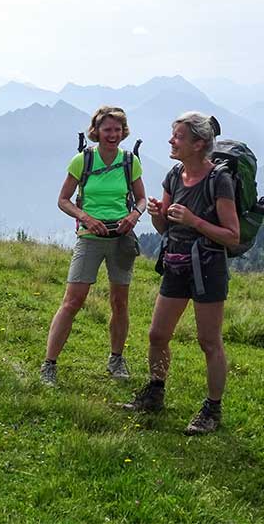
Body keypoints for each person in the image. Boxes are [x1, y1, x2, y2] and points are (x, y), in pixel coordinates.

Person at [123, 112, 239, 434]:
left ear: (199, 144)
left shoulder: (219, 180)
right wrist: (160, 215)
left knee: (208, 341)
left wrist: (194, 221)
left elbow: (232, 234)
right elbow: (163, 229)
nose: (171, 141)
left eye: (178, 137)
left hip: (208, 268)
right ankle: (155, 392)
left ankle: (212, 411)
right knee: (157, 335)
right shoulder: (174, 176)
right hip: (175, 263)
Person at [40, 106, 146, 385]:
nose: (112, 135)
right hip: (89, 237)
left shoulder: (130, 161)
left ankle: (116, 360)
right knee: (72, 301)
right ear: (96, 131)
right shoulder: (82, 161)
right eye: (107, 129)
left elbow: (142, 199)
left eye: (117, 129)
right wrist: (86, 217)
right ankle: (49, 364)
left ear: (124, 131)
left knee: (120, 302)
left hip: (121, 238)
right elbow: (63, 199)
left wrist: (133, 216)